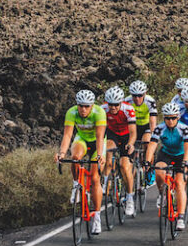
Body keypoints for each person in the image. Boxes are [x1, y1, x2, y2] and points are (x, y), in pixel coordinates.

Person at [55, 90, 106, 235]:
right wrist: (62, 153)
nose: (83, 109)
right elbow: (67, 135)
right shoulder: (71, 112)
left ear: (92, 106)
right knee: (75, 157)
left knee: (95, 178)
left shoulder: (99, 113)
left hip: (98, 143)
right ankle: (76, 184)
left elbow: (100, 136)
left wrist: (100, 155)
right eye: (80, 106)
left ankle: (96, 217)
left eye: (86, 106)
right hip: (82, 140)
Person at [146, 102, 188, 231]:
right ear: (164, 118)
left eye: (173, 118)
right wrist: (147, 161)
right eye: (167, 118)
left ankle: (181, 217)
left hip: (180, 154)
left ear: (177, 117)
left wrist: (185, 162)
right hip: (165, 153)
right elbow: (152, 145)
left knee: (179, 183)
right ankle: (162, 193)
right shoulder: (159, 128)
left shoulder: (184, 129)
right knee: (159, 171)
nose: (170, 121)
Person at [103, 86, 137, 217]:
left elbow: (133, 132)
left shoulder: (128, 109)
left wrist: (131, 143)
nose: (113, 108)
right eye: (110, 104)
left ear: (121, 103)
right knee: (108, 153)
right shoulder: (103, 109)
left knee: (124, 166)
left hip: (126, 136)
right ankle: (105, 183)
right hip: (112, 134)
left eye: (116, 105)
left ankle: (129, 198)